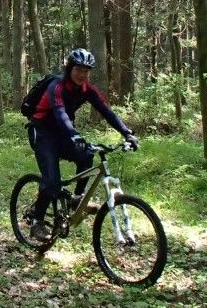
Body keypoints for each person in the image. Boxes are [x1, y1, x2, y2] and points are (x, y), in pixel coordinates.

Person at [26, 47, 139, 242]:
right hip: (42, 132)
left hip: (62, 134)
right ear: (70, 69)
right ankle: (37, 221)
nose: (81, 75)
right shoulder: (57, 86)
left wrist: (126, 132)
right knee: (52, 181)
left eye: (86, 71)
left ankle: (77, 199)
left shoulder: (88, 90)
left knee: (87, 154)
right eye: (78, 70)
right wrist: (74, 134)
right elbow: (60, 113)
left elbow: (107, 112)